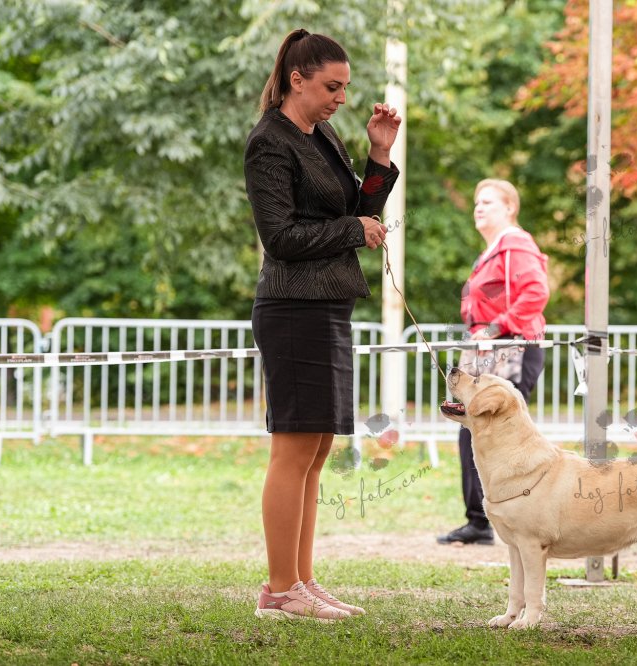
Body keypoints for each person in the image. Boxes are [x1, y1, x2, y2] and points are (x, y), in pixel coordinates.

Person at [244, 29, 401, 621]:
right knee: (293, 450)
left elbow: (360, 212)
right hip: (292, 308)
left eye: (346, 88)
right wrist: (352, 230)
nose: (342, 98)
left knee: (316, 450)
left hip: (329, 304)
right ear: (297, 80)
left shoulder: (324, 135)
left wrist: (379, 155)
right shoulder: (269, 143)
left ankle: (301, 581)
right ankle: (279, 588)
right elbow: (281, 237)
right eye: (332, 87)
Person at [437, 179, 550, 546]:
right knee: (473, 429)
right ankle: (481, 519)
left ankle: (515, 517)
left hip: (510, 349)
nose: (478, 207)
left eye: (488, 202)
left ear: (510, 208)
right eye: (476, 202)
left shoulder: (515, 244)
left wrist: (496, 328)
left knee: (501, 433)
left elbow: (536, 292)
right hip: (488, 350)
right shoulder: (494, 250)